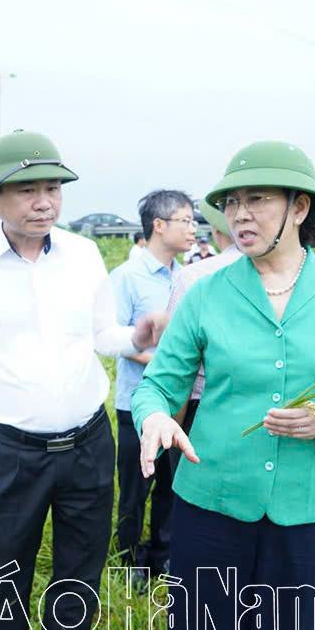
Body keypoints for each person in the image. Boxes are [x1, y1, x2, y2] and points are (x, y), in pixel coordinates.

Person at [132, 141, 315, 630]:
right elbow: (160, 384)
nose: (240, 215)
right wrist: (155, 416)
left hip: (308, 518)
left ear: (300, 208)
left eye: (257, 200)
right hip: (211, 508)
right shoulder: (206, 293)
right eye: (232, 203)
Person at [0, 130, 167, 630]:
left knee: (80, 574)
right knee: (5, 576)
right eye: (27, 190)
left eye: (53, 188)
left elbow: (100, 334)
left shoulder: (84, 254)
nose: (44, 202)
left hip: (88, 443)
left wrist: (136, 336)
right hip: (11, 454)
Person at [110, 189, 196, 583]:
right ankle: (126, 562)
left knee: (170, 487)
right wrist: (169, 364)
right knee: (134, 490)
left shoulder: (187, 276)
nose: (193, 229)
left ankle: (160, 558)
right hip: (136, 404)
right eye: (185, 220)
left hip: (177, 407)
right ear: (159, 226)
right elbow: (119, 341)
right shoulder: (127, 277)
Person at [165, 201, 243, 472]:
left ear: (218, 233)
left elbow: (176, 371)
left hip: (203, 411)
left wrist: (174, 431)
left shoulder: (195, 276)